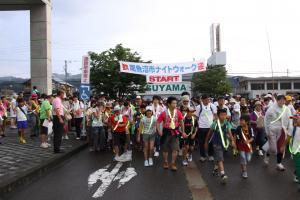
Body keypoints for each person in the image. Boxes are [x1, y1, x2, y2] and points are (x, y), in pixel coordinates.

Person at [204, 109, 236, 184]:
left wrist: (232, 141)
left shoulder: (227, 123)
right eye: (222, 115)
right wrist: (206, 142)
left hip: (224, 143)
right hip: (216, 143)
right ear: (218, 116)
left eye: (225, 115)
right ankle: (222, 174)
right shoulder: (215, 123)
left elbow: (230, 133)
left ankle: (215, 167)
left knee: (217, 156)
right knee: (220, 158)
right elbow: (209, 133)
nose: (223, 116)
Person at [264, 95, 293, 171]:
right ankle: (267, 153)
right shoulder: (271, 109)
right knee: (273, 149)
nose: (283, 102)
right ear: (277, 100)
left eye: (284, 100)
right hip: (272, 130)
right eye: (281, 100)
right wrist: (267, 132)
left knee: (281, 148)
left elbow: (290, 119)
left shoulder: (287, 109)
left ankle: (279, 163)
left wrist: (290, 129)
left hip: (282, 130)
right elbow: (266, 121)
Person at [157, 96, 186, 171]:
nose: (175, 104)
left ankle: (173, 163)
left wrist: (183, 132)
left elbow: (181, 122)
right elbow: (158, 122)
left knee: (175, 149)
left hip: (175, 132)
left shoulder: (178, 112)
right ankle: (166, 162)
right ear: (169, 104)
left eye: (176, 103)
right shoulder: (164, 113)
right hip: (166, 132)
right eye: (173, 103)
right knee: (165, 149)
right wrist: (159, 131)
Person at [196, 94, 217, 162]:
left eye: (208, 99)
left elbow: (215, 115)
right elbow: (196, 116)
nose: (207, 101)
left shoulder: (212, 106)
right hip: (201, 127)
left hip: (210, 127)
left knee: (210, 141)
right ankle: (203, 156)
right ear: (202, 100)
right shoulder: (199, 107)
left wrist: (215, 124)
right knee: (201, 142)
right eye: (205, 100)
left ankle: (211, 155)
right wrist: (198, 124)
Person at [287, 112, 300, 190]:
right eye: (293, 119)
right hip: (296, 151)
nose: (294, 121)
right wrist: (282, 146)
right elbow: (288, 139)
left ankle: (295, 173)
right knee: (299, 167)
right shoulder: (292, 128)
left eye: (296, 119)